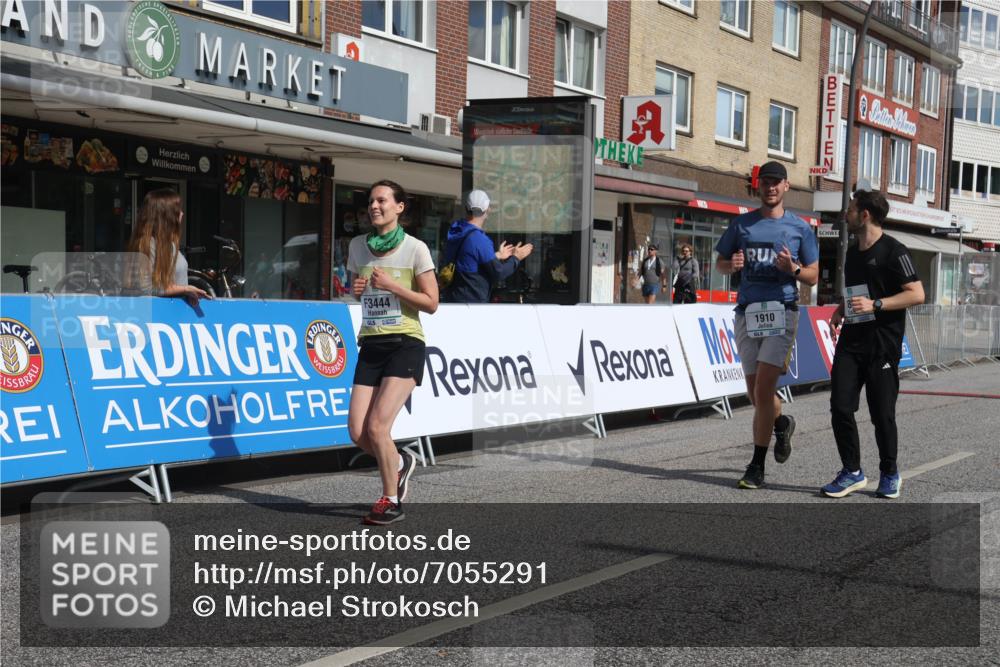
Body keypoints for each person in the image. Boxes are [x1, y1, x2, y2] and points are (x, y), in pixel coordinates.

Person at [715, 161, 819, 489]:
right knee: (755, 393)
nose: (770, 187)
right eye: (765, 182)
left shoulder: (800, 228)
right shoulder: (742, 225)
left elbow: (813, 275)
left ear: (786, 186)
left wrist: (794, 270)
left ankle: (756, 465)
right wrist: (729, 264)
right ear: (757, 187)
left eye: (777, 182)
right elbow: (719, 263)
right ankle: (782, 421)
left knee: (762, 390)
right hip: (747, 312)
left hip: (781, 312)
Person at [822, 190, 924, 499]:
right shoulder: (853, 251)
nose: (846, 213)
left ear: (865, 214)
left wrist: (877, 304)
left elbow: (917, 294)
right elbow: (856, 293)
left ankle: (890, 472)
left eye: (851, 208)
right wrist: (842, 309)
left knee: (882, 414)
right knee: (840, 406)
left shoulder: (895, 251)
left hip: (882, 345)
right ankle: (852, 471)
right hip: (852, 341)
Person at [347, 179, 438, 525]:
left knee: (378, 426)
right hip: (371, 342)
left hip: (405, 343)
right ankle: (400, 463)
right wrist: (357, 290)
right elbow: (362, 295)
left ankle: (390, 499)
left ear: (400, 207)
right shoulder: (358, 246)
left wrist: (394, 287)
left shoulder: (416, 249)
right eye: (371, 201)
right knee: (357, 431)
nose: (374, 206)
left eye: (382, 201)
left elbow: (431, 303)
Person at [441, 189, 533, 303]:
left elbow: (467, 259)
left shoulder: (458, 230)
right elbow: (499, 273)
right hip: (471, 305)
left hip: (453, 300)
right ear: (487, 209)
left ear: (466, 208)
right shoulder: (478, 239)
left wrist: (496, 256)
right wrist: (516, 258)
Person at [125, 188, 210, 304]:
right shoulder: (147, 244)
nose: (182, 213)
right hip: (156, 316)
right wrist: (185, 289)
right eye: (177, 209)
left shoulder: (170, 244)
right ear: (166, 214)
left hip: (175, 314)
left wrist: (187, 293)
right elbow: (146, 288)